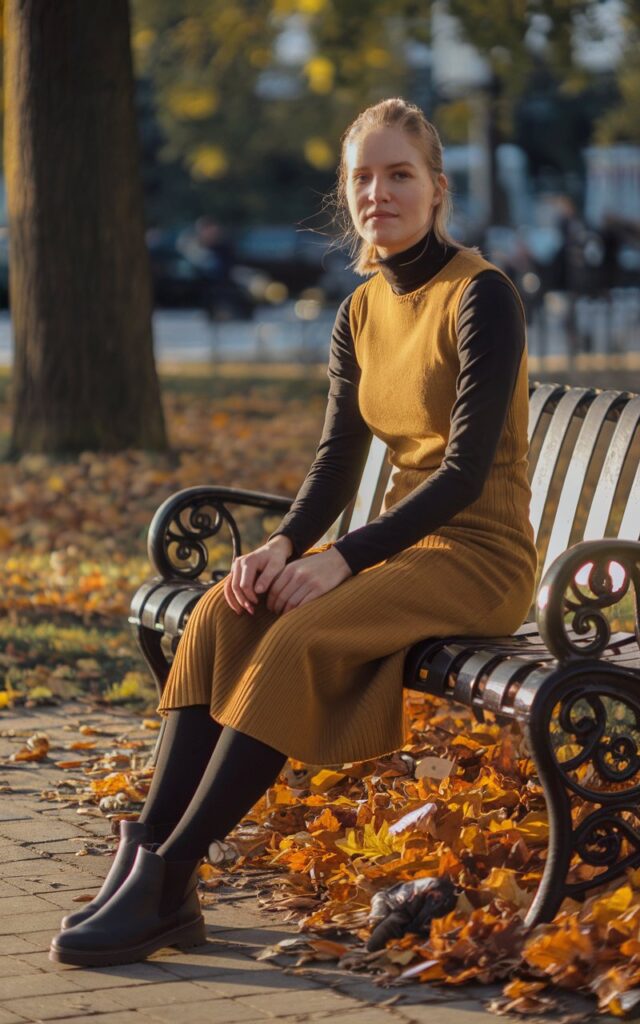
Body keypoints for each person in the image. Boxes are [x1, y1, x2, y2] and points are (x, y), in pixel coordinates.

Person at [49, 97, 537, 967]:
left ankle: (169, 877)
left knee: (294, 637)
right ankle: (149, 868)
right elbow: (335, 462)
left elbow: (463, 474)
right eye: (363, 177)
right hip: (402, 545)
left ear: (436, 190)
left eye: (399, 175)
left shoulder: (481, 296)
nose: (378, 192)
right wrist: (280, 547)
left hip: (479, 554)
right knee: (221, 614)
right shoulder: (360, 311)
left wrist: (342, 559)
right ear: (347, 194)